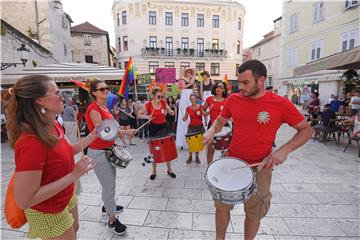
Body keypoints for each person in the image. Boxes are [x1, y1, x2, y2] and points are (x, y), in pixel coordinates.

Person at [203, 60, 313, 240]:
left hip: (261, 165)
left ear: (261, 80)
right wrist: (211, 130)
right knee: (221, 207)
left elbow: (307, 130)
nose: (241, 87)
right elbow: (220, 121)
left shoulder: (280, 103)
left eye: (245, 82)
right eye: (239, 82)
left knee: (254, 211)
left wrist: (283, 151)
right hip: (232, 161)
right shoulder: (233, 99)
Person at [1, 75, 97, 239]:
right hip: (48, 210)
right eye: (57, 93)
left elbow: (65, 152)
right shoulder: (30, 142)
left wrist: (92, 136)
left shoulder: (52, 123)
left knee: (75, 226)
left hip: (64, 196)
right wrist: (74, 175)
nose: (62, 97)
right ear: (40, 100)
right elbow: (25, 200)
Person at [84, 79, 137, 235]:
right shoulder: (93, 108)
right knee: (109, 185)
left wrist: (120, 135)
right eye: (102, 89)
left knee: (109, 183)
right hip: (99, 152)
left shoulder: (104, 107)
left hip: (107, 150)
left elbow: (111, 128)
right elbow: (104, 132)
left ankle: (107, 206)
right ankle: (112, 220)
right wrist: (126, 132)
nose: (106, 90)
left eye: (107, 88)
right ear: (94, 92)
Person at [138, 87, 176, 180]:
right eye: (159, 96)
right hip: (153, 129)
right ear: (153, 96)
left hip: (163, 127)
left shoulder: (163, 102)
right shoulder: (148, 105)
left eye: (162, 96)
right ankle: (154, 171)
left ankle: (169, 170)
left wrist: (172, 112)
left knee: (166, 149)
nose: (161, 98)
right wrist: (147, 117)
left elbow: (170, 112)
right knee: (154, 151)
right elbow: (139, 114)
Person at [203, 81, 227, 165]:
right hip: (212, 126)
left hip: (224, 127)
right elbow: (203, 109)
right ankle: (209, 166)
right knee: (210, 149)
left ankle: (223, 166)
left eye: (221, 87)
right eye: (217, 86)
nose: (218, 88)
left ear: (224, 90)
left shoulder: (227, 101)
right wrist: (205, 113)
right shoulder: (209, 99)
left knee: (225, 149)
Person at [176, 68, 196, 149]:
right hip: (185, 94)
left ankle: (191, 140)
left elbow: (192, 82)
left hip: (190, 93)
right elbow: (183, 86)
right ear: (186, 73)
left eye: (190, 72)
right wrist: (188, 83)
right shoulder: (183, 78)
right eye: (188, 72)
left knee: (191, 111)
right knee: (183, 113)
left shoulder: (192, 78)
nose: (189, 73)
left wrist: (189, 82)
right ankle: (182, 140)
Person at [182, 93, 205, 164]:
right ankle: (190, 157)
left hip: (199, 127)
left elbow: (205, 114)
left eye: (194, 98)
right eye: (191, 99)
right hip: (191, 127)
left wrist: (207, 119)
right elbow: (185, 118)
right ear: (190, 100)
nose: (193, 100)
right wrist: (183, 118)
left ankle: (197, 157)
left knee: (197, 143)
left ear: (196, 99)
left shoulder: (201, 107)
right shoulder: (188, 108)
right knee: (191, 143)